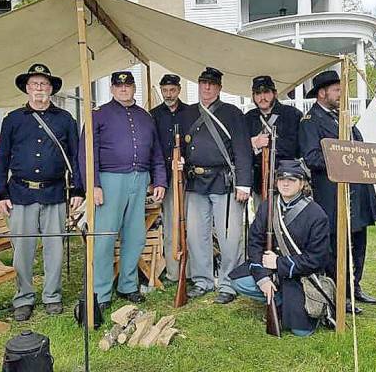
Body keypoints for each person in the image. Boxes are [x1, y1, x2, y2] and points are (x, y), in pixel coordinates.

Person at [0, 63, 84, 321]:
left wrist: (78, 189)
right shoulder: (13, 120)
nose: (39, 89)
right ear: (27, 88)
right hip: (20, 193)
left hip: (54, 192)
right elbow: (1, 158)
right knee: (22, 249)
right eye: (34, 84)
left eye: (44, 84)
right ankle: (24, 297)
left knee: (54, 247)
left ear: (51, 89)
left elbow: (76, 157)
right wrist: (0, 193)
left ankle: (52, 296)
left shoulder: (65, 119)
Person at [79, 71, 167, 311]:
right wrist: (93, 185)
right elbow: (87, 153)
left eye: (128, 85)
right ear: (112, 88)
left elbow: (156, 151)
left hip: (139, 180)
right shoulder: (98, 115)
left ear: (133, 88)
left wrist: (160, 180)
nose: (124, 89)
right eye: (119, 86)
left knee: (135, 236)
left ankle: (128, 285)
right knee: (104, 239)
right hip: (109, 181)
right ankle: (101, 291)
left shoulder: (145, 117)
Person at [299, 70, 376, 313]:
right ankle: (340, 293)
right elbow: (312, 157)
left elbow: (358, 145)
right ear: (322, 93)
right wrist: (345, 160)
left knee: (358, 240)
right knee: (337, 246)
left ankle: (355, 287)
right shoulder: (310, 121)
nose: (342, 94)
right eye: (337, 90)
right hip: (333, 193)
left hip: (357, 192)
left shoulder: (341, 117)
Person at [230, 160, 330, 336]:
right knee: (239, 282)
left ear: (302, 183)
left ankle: (285, 304)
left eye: (292, 179)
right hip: (271, 271)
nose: (285, 183)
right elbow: (254, 242)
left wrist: (279, 263)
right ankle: (276, 299)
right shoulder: (268, 206)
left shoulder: (316, 215)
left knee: (301, 332)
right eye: (282, 178)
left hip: (299, 276)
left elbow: (317, 259)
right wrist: (263, 278)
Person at [181, 67, 252, 304]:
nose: (207, 88)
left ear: (219, 88)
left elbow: (243, 149)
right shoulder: (188, 113)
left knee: (229, 235)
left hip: (225, 182)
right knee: (196, 235)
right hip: (195, 182)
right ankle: (202, 280)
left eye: (211, 84)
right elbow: (179, 146)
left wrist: (244, 184)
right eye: (203, 83)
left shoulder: (232, 114)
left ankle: (229, 283)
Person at [150, 74, 188, 283]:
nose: (168, 94)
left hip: (189, 176)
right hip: (165, 176)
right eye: (165, 90)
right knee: (172, 223)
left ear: (179, 90)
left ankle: (191, 270)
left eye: (172, 90)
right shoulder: (153, 115)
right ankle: (174, 271)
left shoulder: (190, 112)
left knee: (190, 223)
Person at [245, 76, 303, 208]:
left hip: (288, 178)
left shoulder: (292, 115)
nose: (262, 97)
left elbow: (297, 148)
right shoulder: (248, 118)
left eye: (266, 92)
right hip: (259, 182)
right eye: (258, 94)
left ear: (275, 94)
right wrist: (254, 144)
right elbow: (241, 150)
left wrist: (270, 143)